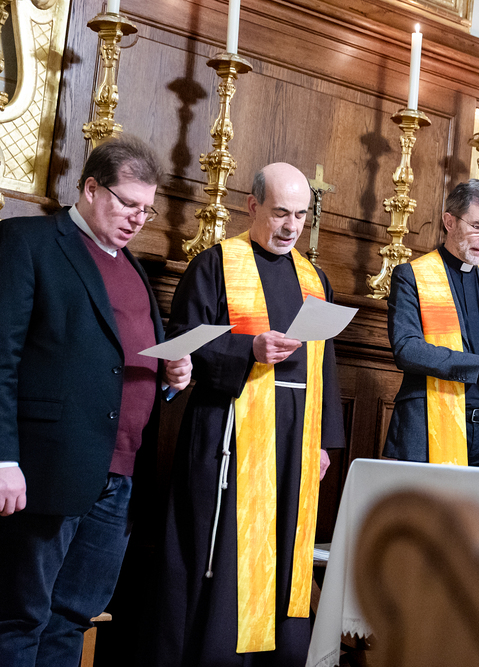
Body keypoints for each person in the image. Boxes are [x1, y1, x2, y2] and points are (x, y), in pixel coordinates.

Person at [0, 136, 192, 667]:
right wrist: (4, 459)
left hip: (120, 476)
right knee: (20, 617)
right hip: (47, 467)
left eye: (147, 210)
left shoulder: (132, 267)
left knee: (73, 619)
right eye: (128, 203)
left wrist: (171, 376)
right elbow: (1, 358)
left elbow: (124, 360)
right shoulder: (29, 242)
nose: (138, 219)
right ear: (90, 188)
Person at [154, 162, 346, 666]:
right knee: (222, 549)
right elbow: (182, 345)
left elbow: (325, 362)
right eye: (281, 213)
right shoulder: (215, 265)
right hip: (228, 432)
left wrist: (323, 441)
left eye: (301, 215)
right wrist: (248, 350)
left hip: (296, 436)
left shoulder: (314, 278)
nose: (291, 227)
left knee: (285, 546)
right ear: (252, 205)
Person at [384, 179, 479, 468]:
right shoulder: (412, 276)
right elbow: (407, 350)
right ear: (449, 222)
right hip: (427, 427)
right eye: (478, 227)